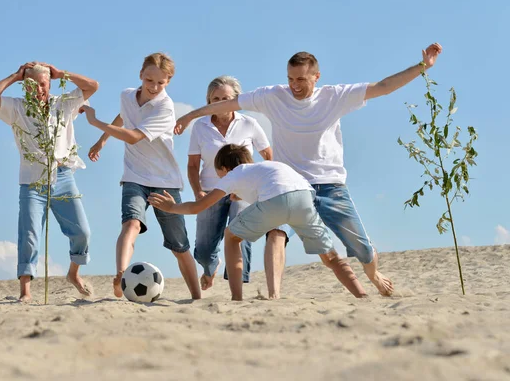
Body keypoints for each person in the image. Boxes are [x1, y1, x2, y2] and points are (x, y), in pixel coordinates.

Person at [174, 43, 443, 298]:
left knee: (361, 248)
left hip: (330, 184)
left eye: (301, 79)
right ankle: (274, 295)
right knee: (277, 234)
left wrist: (424, 66)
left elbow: (384, 87)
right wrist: (189, 116)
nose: (294, 85)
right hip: (289, 186)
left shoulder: (335, 96)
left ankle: (372, 275)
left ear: (316, 77)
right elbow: (228, 105)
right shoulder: (273, 96)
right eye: (290, 78)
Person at [83, 52, 202, 300]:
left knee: (179, 246)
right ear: (140, 75)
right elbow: (124, 117)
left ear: (168, 81)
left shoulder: (165, 107)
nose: (154, 87)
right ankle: (121, 273)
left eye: (160, 82)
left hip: (164, 183)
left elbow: (133, 136)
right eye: (149, 80)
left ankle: (197, 297)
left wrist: (96, 123)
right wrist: (101, 142)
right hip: (134, 177)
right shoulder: (127, 95)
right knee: (131, 223)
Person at [148, 144, 333, 301]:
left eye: (218, 173)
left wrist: (172, 208)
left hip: (280, 203)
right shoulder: (263, 171)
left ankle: (237, 297)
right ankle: (355, 287)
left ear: (224, 169)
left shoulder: (232, 175)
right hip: (303, 199)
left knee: (233, 235)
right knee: (326, 255)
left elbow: (198, 206)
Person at [0, 62, 99, 302]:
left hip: (63, 176)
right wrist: (15, 76)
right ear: (25, 86)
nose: (38, 90)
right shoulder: (17, 107)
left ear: (50, 83)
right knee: (29, 235)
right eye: (32, 85)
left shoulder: (63, 104)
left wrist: (62, 74)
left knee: (82, 232)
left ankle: (73, 274)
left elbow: (93, 86)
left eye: (43, 84)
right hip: (32, 182)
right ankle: (25, 291)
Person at [188, 76, 272, 291]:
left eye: (226, 98)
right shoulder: (200, 126)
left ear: (236, 100)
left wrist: (261, 184)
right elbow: (192, 165)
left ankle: (238, 287)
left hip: (242, 191)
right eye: (215, 98)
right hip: (211, 191)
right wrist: (198, 192)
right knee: (204, 251)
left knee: (240, 233)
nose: (220, 102)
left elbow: (268, 155)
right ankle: (211, 266)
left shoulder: (249, 123)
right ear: (208, 101)